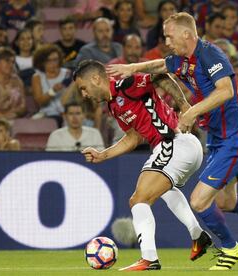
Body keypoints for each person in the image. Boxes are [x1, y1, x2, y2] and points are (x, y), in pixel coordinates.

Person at [107, 12, 238, 270]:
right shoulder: (182, 59)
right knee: (226, 203)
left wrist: (191, 111)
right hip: (218, 139)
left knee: (200, 201)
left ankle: (231, 249)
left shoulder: (211, 55)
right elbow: (160, 66)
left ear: (186, 34)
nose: (167, 41)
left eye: (170, 36)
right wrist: (131, 68)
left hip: (234, 139)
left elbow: (226, 91)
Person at [74, 60, 211, 271]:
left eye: (83, 88)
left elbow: (160, 76)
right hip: (183, 147)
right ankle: (198, 235)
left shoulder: (126, 85)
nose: (84, 94)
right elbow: (133, 138)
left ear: (95, 78)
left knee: (138, 200)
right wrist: (103, 155)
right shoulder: (114, 105)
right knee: (166, 191)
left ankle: (149, 259)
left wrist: (185, 106)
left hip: (174, 142)